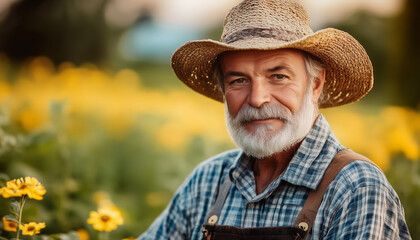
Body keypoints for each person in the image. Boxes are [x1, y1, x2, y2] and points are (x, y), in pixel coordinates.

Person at [139, 0, 411, 239]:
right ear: (223, 91)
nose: (257, 99)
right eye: (238, 80)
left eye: (278, 76)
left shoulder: (355, 188)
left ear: (315, 85)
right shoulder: (207, 181)